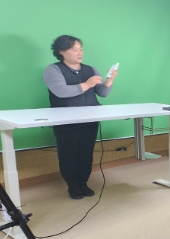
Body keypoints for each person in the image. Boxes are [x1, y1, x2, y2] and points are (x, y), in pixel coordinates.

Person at [43, 35, 117, 200]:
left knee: (86, 152)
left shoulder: (90, 69)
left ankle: (83, 182)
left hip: (90, 118)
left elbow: (102, 93)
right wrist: (87, 84)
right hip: (65, 120)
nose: (79, 53)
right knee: (68, 153)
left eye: (80, 49)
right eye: (74, 49)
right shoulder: (53, 69)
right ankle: (73, 185)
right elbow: (61, 91)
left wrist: (109, 80)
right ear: (61, 52)